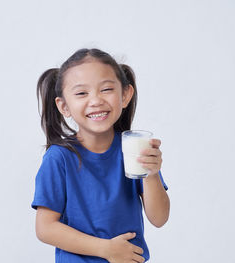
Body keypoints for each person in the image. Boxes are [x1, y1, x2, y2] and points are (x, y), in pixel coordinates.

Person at [31, 48, 170, 263]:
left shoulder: (133, 149)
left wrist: (152, 174)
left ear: (125, 95)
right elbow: (45, 228)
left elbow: (159, 218)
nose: (95, 100)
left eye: (106, 89)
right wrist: (106, 249)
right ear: (64, 106)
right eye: (81, 93)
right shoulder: (59, 158)